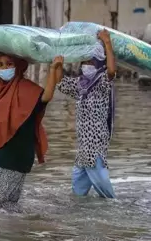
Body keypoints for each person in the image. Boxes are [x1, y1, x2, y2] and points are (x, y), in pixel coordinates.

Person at [0, 54, 64, 212]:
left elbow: (46, 96)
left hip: (17, 154)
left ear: (18, 66)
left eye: (9, 64)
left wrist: (53, 69)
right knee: (2, 205)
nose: (4, 68)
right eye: (1, 65)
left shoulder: (28, 89)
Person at [56, 29, 116, 199]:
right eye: (84, 61)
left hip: (95, 146)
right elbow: (60, 83)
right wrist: (58, 64)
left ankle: (114, 211)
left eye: (90, 61)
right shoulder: (80, 85)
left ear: (98, 61)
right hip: (83, 149)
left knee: (105, 192)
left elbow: (111, 71)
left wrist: (107, 43)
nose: (86, 65)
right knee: (77, 194)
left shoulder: (102, 83)